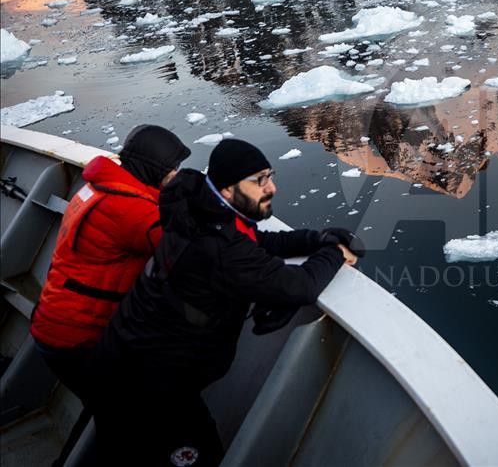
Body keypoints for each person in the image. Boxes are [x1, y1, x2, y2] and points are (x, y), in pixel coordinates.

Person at [92, 138, 360, 467]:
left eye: (270, 175)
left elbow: (255, 241)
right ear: (229, 189)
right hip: (148, 387)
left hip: (127, 358)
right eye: (259, 180)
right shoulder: (220, 248)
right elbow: (299, 286)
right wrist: (334, 253)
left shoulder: (196, 208)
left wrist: (314, 238)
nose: (272, 188)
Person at [30, 124, 190, 401]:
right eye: (172, 169)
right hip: (79, 339)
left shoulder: (98, 188)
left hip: (54, 326)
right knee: (127, 417)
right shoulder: (130, 209)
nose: (175, 175)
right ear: (152, 169)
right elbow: (189, 249)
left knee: (110, 410)